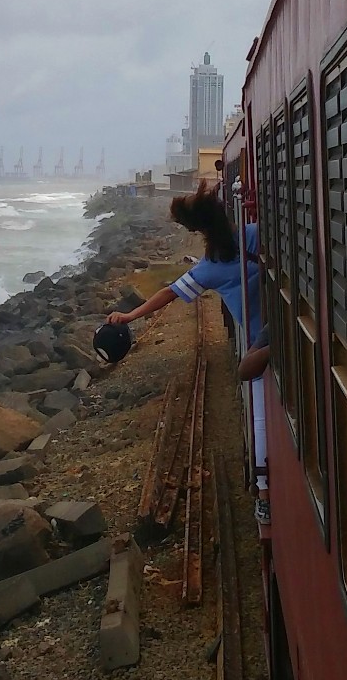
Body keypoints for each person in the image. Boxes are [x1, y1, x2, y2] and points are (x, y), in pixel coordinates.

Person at [106, 184, 272, 524]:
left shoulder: (208, 268)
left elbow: (169, 293)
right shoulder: (253, 236)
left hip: (262, 342)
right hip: (286, 321)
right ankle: (264, 491)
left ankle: (264, 494)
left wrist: (130, 316)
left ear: (199, 232)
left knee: (257, 410)